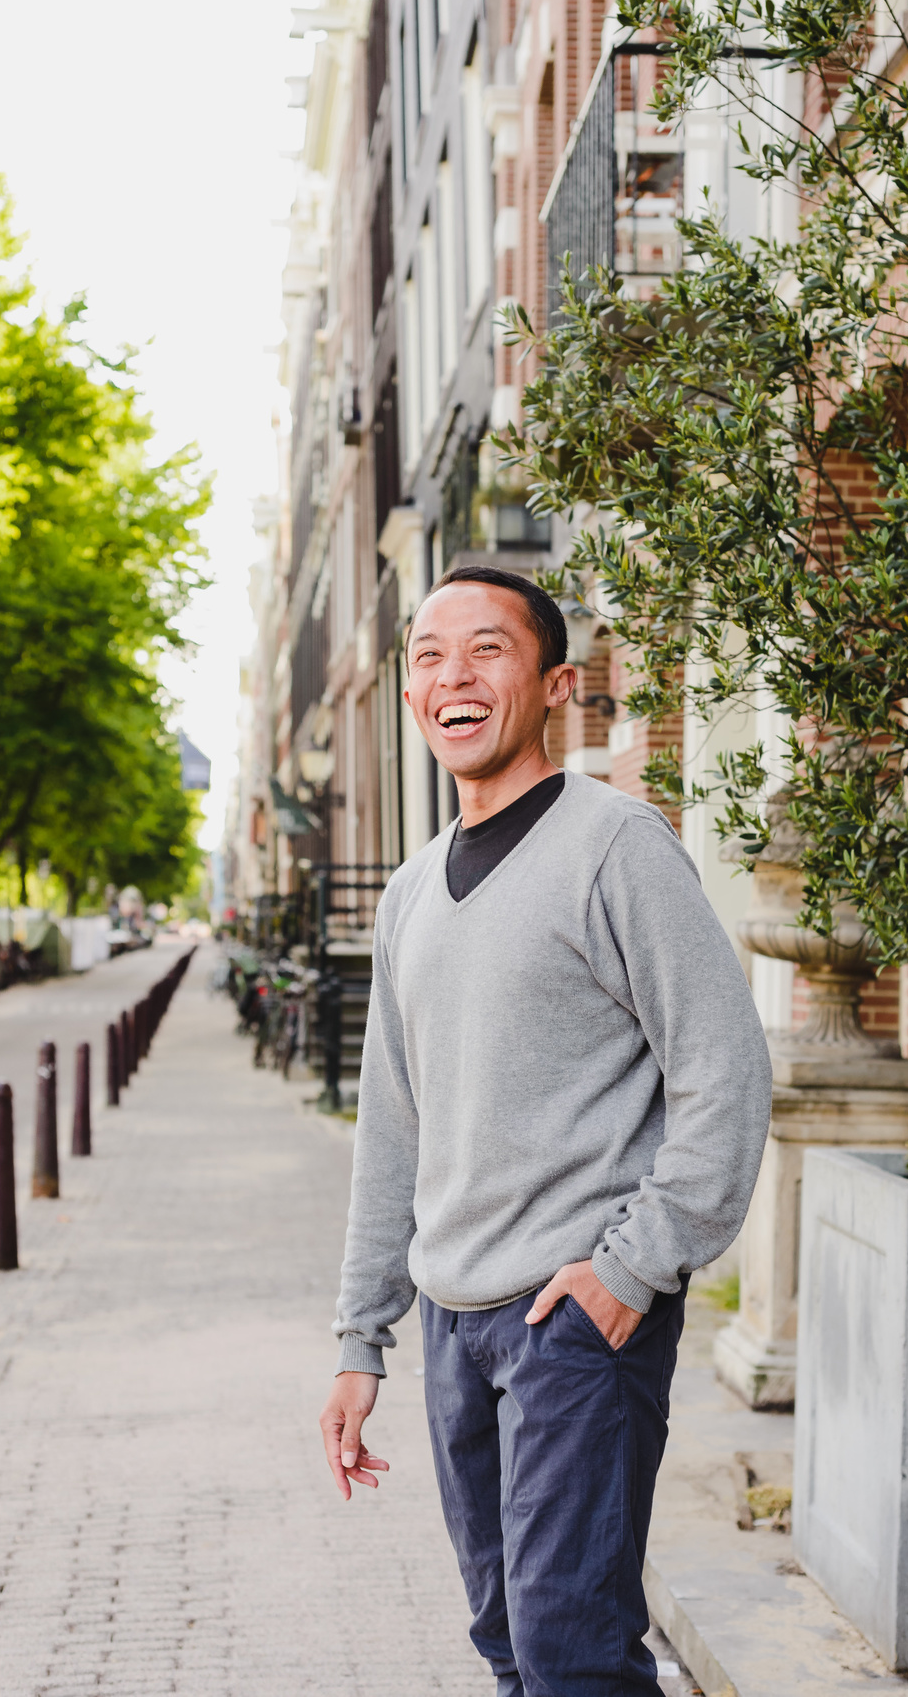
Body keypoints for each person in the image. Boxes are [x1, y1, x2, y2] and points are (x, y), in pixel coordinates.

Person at [320, 566, 771, 1696]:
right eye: (428, 654)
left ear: (557, 682)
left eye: (486, 650)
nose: (450, 677)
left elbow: (725, 1068)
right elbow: (394, 1122)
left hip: (576, 1321)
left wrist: (633, 1267)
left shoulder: (617, 845)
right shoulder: (410, 892)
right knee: (510, 1645)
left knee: (573, 1654)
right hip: (452, 1326)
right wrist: (357, 1337)